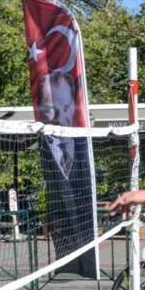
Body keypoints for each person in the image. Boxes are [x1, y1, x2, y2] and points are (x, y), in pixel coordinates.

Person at [34, 69, 96, 277]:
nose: (60, 114)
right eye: (51, 108)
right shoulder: (45, 152)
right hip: (60, 222)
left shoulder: (82, 148)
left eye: (66, 106)